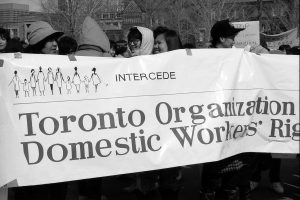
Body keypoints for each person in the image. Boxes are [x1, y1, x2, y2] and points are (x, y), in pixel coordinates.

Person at [200, 19, 255, 200]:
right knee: (214, 172)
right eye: (231, 37)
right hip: (214, 125)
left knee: (233, 174)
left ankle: (229, 191)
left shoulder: (237, 56)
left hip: (234, 123)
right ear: (222, 38)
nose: (234, 41)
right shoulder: (206, 59)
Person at [12, 21, 67, 200]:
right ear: (37, 43)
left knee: (58, 190)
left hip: (58, 145)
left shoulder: (62, 66)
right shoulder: (19, 68)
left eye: (55, 40)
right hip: (32, 147)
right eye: (49, 40)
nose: (55, 44)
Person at [75, 16, 111, 200]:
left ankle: (83, 194)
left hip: (75, 128)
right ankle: (93, 194)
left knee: (82, 161)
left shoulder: (69, 66)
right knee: (95, 162)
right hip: (98, 126)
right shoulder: (105, 67)